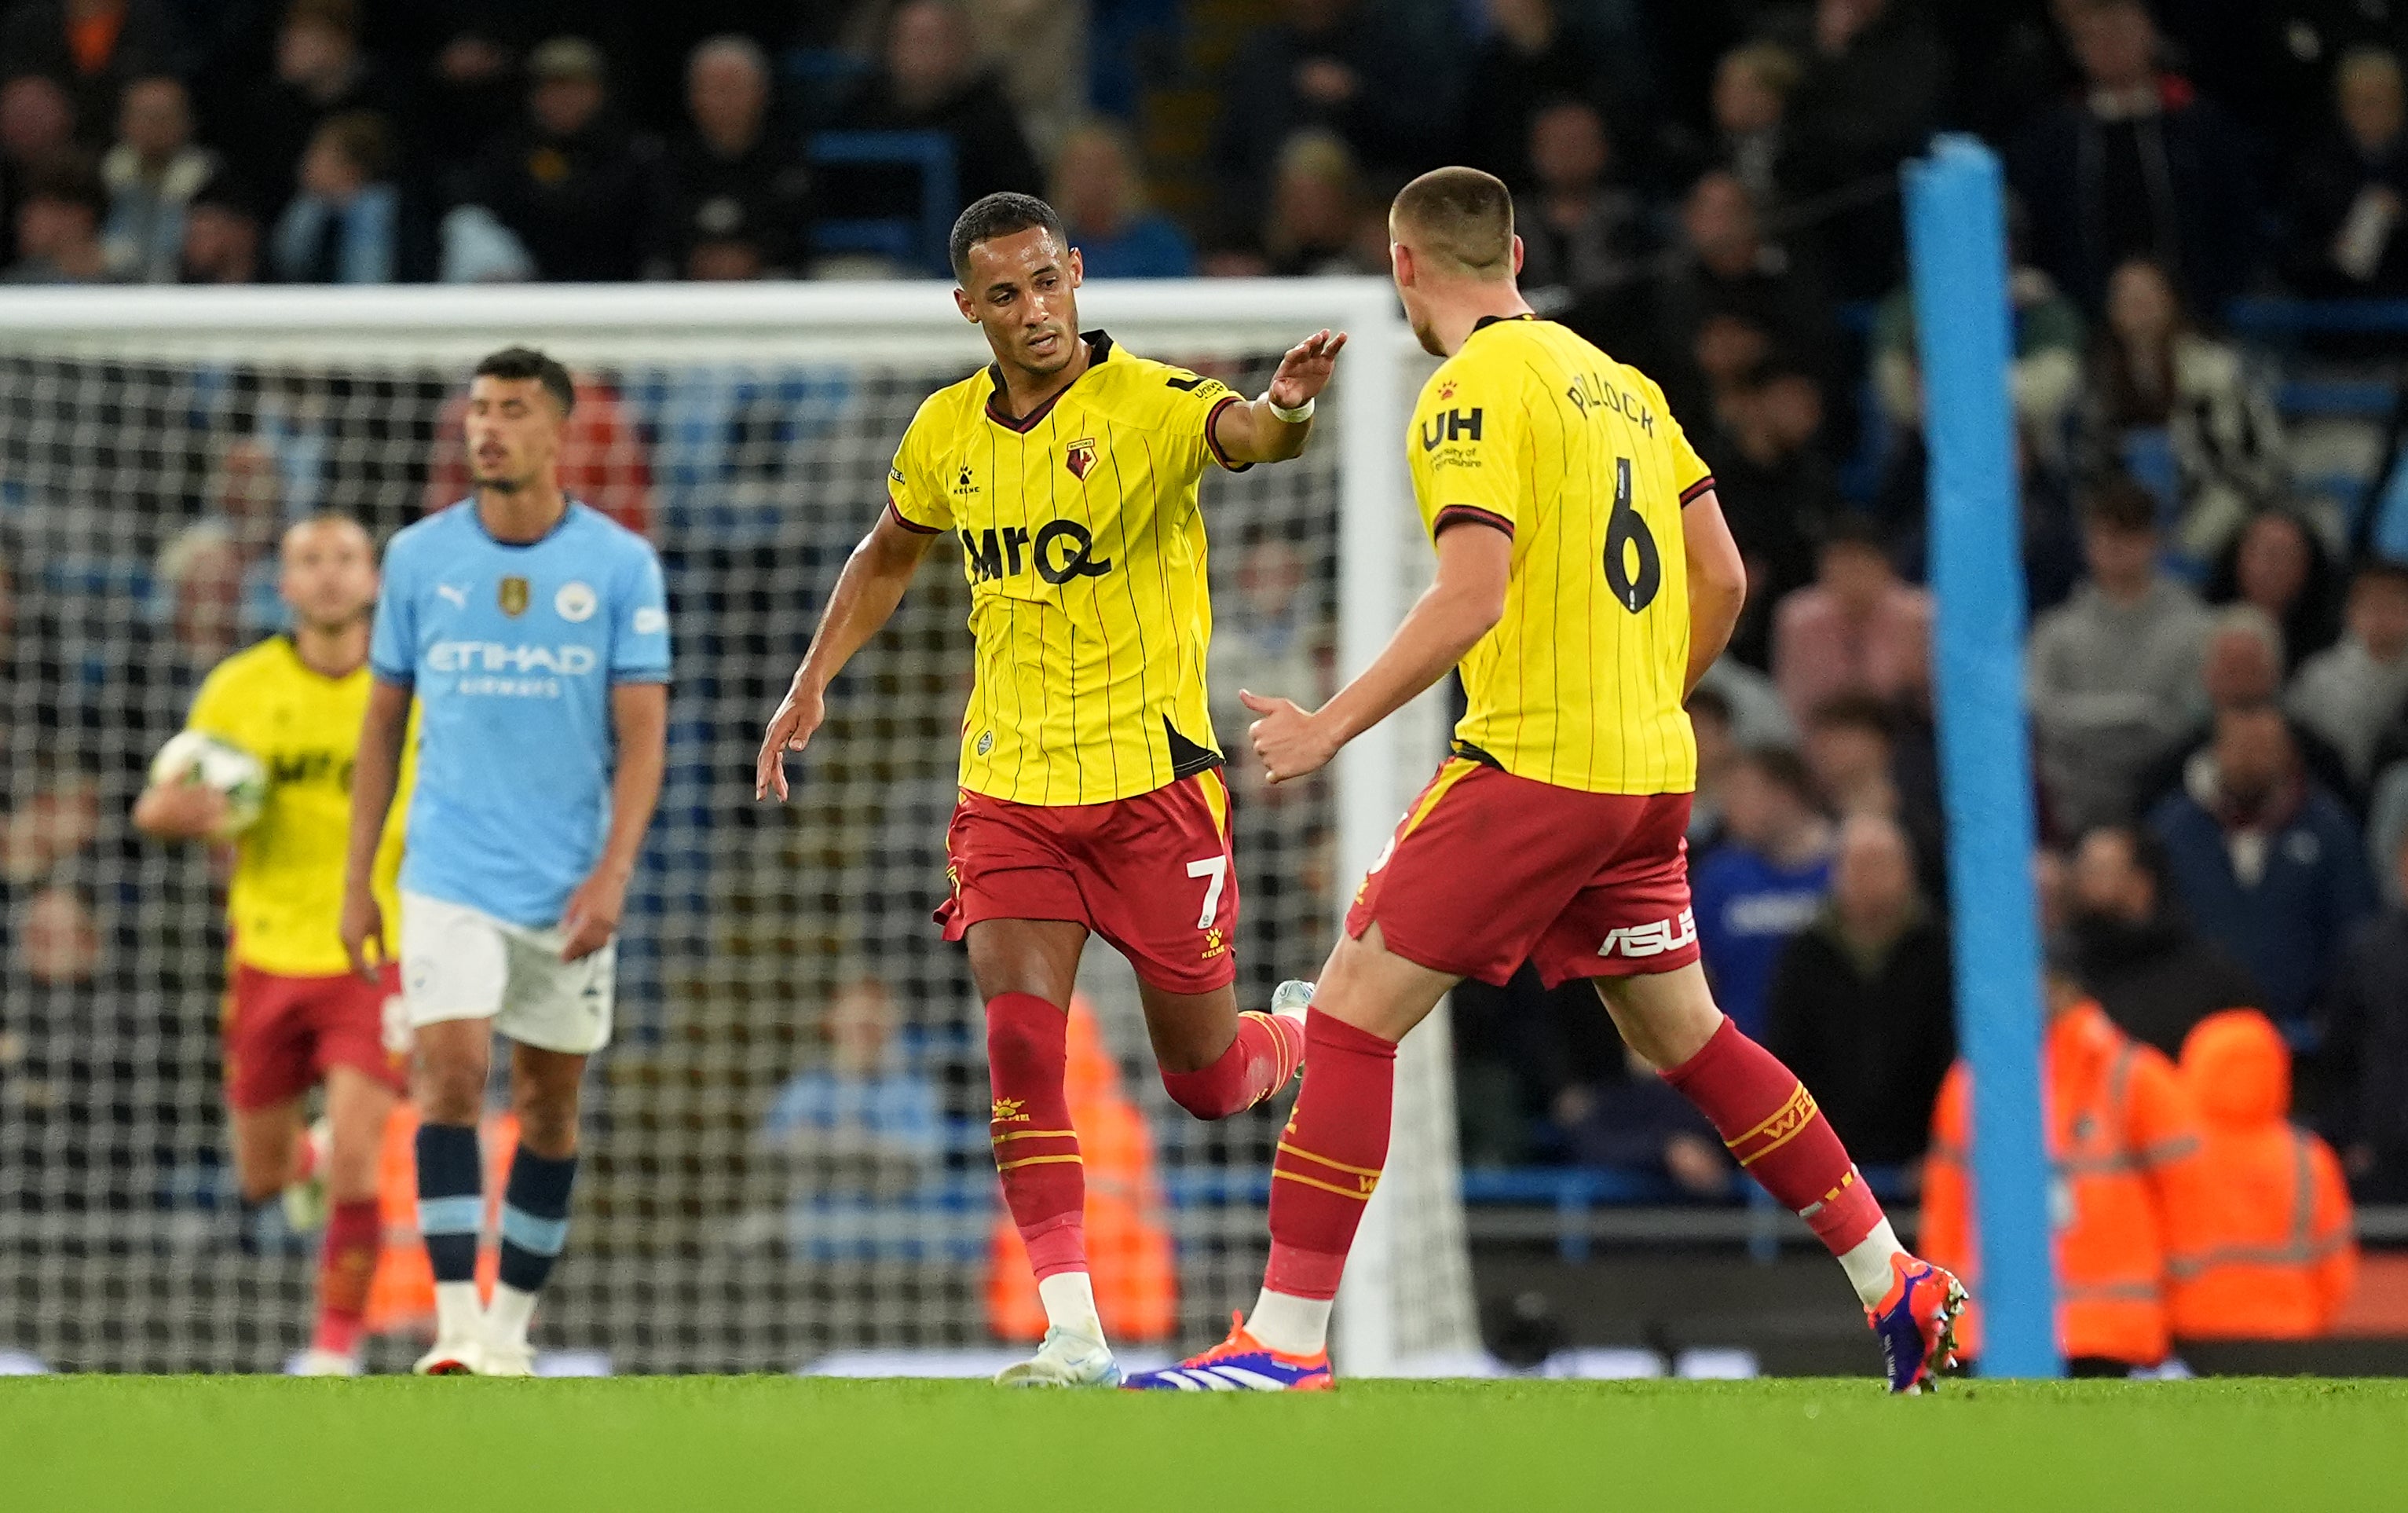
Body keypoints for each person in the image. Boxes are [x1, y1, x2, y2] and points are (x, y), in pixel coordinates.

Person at [1125, 167, 1963, 1394]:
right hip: (1646, 772)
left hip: (1534, 762)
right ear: (1514, 252)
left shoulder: (1464, 392)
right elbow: (1722, 575)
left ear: (1406, 268)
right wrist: (1642, 689)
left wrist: (1330, 726)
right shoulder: (1624, 387)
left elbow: (1471, 596)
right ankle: (1893, 1276)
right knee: (1686, 1032)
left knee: (1350, 1012)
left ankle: (1282, 1343)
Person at [753, 193, 1343, 1390]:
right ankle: (1071, 1330)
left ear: (1077, 273)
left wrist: (1285, 408)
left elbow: (1249, 437)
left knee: (1206, 1080)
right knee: (1023, 1044)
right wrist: (810, 681)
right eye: (1005, 294)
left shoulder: (1156, 403)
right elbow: (888, 551)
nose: (1034, 311)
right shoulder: (942, 431)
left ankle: (1299, 1032)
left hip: (1155, 795)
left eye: (1047, 282)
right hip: (1009, 792)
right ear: (968, 306)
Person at [340, 346, 672, 1376]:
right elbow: (382, 726)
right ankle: (452, 1322)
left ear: (557, 431)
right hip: (446, 868)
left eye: (512, 410)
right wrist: (358, 877)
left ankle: (511, 1328)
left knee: (548, 1104)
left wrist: (613, 870)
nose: (486, 427)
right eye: (478, 409)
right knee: (448, 1073)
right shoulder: (417, 558)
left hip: (566, 880)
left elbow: (645, 739)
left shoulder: (618, 566)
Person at [130, 515, 412, 1376]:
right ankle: (310, 1158)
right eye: (307, 563)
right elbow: (160, 804)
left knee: (363, 1154)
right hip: (264, 952)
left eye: (344, 561)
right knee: (263, 1179)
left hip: (375, 948)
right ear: (282, 586)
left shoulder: (413, 693)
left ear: (373, 583)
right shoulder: (237, 689)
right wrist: (172, 818)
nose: (327, 577)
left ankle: (334, 1347)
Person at [1923, 952, 2206, 1375]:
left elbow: (2189, 1210)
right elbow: (1946, 1212)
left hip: (2106, 1335)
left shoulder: (2132, 1078)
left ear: (2065, 987)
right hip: (2001, 1331)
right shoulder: (1971, 1083)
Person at [2007, 0, 2261, 317]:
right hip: (2083, 317)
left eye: (2123, 33)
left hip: (2195, 313)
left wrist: (2211, 295)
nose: (2112, 47)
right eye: (2096, 38)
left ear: (2150, 36)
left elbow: (2236, 216)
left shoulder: (2199, 125)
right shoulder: (2053, 136)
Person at [2149, 703, 2377, 1029]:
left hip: (2301, 1035)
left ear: (2287, 753)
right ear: (2217, 751)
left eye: (2263, 748)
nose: (2249, 761)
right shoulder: (2174, 828)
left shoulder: (2328, 829)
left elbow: (2353, 927)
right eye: (2239, 748)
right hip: (2196, 1034)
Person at [1764, 813, 1955, 1171]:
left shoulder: (1939, 952)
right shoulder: (1804, 955)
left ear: (1908, 870)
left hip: (1921, 1161)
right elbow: (1786, 1056)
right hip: (1827, 1159)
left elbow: (1952, 1058)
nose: (1870, 877)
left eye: (1881, 863)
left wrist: (1940, 1150)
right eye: (1858, 864)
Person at [2028, 474, 2213, 838]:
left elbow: (2191, 722)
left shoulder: (2197, 631)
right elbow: (2042, 715)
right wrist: (2139, 715)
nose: (2116, 547)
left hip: (2165, 807)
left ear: (2153, 541)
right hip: (2074, 810)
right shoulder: (2054, 632)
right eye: (2104, 534)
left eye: (2128, 534)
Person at [2078, 258, 2283, 566]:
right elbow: (2087, 465)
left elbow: (2253, 463)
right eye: (2127, 299)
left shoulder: (2218, 371)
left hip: (2216, 510)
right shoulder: (2095, 384)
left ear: (2169, 302)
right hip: (2129, 516)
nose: (2138, 308)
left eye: (2147, 297)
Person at [2170, 1008, 2356, 1343]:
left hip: (2192, 1334)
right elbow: (2335, 1267)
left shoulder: (2173, 1154)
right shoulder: (2308, 1159)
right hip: (2288, 1335)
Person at [452, 37, 664, 284]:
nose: (563, 98)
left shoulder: (634, 154)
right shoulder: (508, 152)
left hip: (615, 293)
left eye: (575, 86)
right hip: (528, 296)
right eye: (553, 87)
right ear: (534, 94)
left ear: (598, 91)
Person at [2068, 822, 2260, 1058]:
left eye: (2099, 871)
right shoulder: (2066, 972)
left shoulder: (2210, 978)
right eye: (2081, 870)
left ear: (2142, 884)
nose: (2083, 883)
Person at [1690, 746, 1833, 1044]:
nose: (1730, 808)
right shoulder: (1719, 877)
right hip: (1743, 1051)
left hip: (1828, 1056)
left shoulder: (1845, 868)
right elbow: (1699, 972)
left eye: (1743, 794)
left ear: (1785, 794)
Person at [659, 35, 812, 280]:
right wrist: (697, 256)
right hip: (685, 281)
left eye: (735, 88)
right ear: (693, 96)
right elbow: (658, 230)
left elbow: (798, 227)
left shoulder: (788, 156)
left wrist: (756, 256)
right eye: (715, 89)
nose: (725, 101)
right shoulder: (666, 158)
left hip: (771, 280)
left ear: (762, 93)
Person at [1770, 515, 1932, 727]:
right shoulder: (1798, 618)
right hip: (1824, 732)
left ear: (1886, 566)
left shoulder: (1920, 615)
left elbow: (1933, 698)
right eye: (1841, 566)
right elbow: (1792, 698)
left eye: (1860, 565)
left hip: (1906, 731)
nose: (1851, 577)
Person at [2287, 46, 2408, 299]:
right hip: (2337, 316)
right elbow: (2290, 256)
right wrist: (2331, 256)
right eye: (2353, 102)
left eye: (2375, 102)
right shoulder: (2316, 168)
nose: (2364, 113)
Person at [2289, 561, 2408, 792]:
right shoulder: (2318, 676)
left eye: (2396, 603)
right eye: (2374, 604)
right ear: (2351, 611)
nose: (2384, 615)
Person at [269, 110, 428, 284]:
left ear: (352, 168)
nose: (306, 164)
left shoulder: (394, 212)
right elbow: (285, 266)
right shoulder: (308, 209)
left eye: (320, 156)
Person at [99, 74, 215, 283]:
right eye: (144, 115)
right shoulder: (102, 178)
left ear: (187, 122)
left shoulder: (211, 182)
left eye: (164, 115)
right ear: (123, 123)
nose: (154, 125)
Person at [2203, 509, 2344, 676]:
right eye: (2260, 552)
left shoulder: (2329, 653)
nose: (2269, 568)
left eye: (2284, 556)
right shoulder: (2200, 632)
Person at [1052, 119, 1193, 280]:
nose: (1092, 182)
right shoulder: (1046, 247)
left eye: (1103, 170)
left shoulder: (1161, 245)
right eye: (1082, 172)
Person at [4, 150, 109, 283]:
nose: (25, 217)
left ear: (80, 217)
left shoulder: (129, 288)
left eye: (43, 206)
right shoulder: (15, 287)